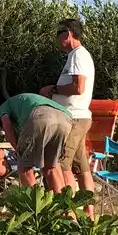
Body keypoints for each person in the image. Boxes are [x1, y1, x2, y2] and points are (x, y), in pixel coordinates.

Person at [40, 18, 97, 200]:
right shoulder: (77, 55)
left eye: (59, 34)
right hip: (77, 117)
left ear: (68, 33)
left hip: (73, 118)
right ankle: (89, 215)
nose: (57, 39)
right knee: (82, 168)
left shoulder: (78, 55)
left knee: (61, 163)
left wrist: (53, 89)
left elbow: (78, 87)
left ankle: (69, 214)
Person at [0, 91, 72, 192]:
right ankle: (61, 204)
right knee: (51, 167)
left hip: (40, 115)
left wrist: (17, 149)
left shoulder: (2, 108)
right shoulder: (21, 103)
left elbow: (6, 124)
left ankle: (33, 205)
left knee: (24, 168)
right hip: (65, 118)